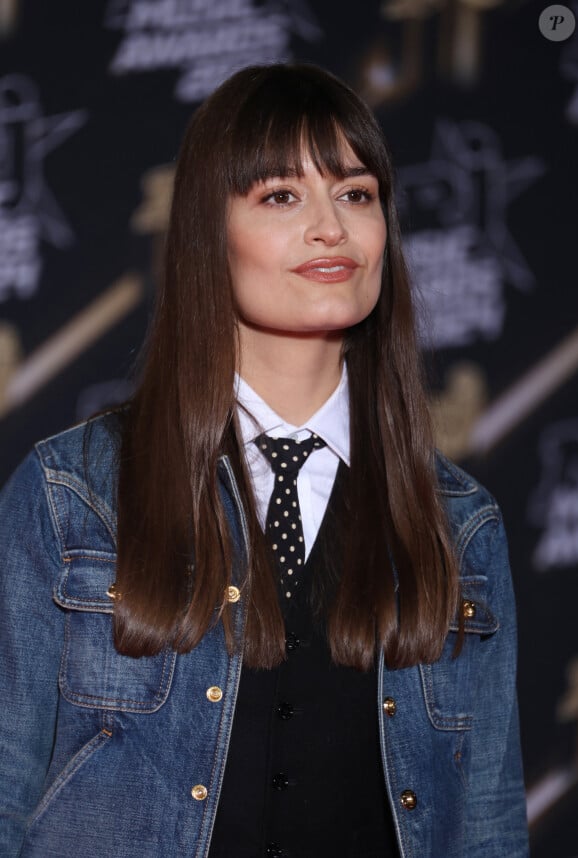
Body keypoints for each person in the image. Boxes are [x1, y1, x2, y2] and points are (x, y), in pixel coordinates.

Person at [0, 63, 529, 858]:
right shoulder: (71, 494)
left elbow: (489, 827)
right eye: (281, 195)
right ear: (209, 233)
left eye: (356, 194)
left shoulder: (461, 524)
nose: (331, 228)